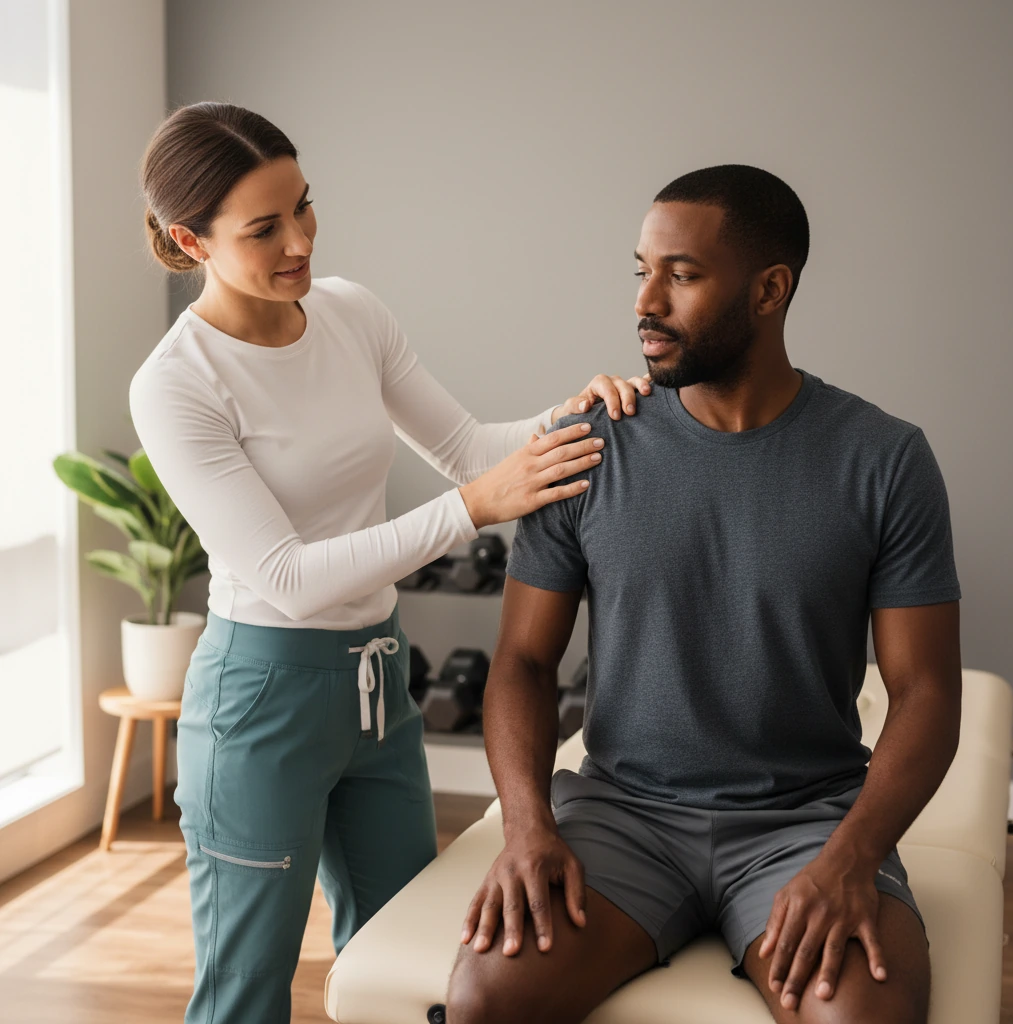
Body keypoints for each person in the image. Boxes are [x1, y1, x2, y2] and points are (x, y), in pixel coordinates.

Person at [128, 102, 651, 1024]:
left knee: (403, 968)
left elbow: (466, 445)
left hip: (376, 686)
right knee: (247, 993)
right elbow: (286, 575)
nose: (299, 241)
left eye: (304, 206)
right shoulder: (177, 383)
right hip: (262, 702)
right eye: (264, 228)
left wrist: (577, 412)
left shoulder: (348, 312)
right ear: (189, 239)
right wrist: (471, 511)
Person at [445, 164, 961, 1024]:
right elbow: (524, 662)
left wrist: (850, 858)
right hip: (621, 815)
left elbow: (927, 693)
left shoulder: (885, 459)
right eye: (641, 270)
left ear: (770, 289)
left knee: (861, 1015)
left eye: (680, 276)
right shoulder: (586, 448)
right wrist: (528, 829)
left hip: (807, 822)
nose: (646, 301)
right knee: (484, 998)